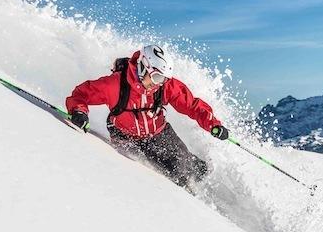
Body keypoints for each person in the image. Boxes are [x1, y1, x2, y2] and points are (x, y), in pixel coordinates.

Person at [66, 44, 229, 188]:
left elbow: (191, 105)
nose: (159, 83)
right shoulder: (114, 85)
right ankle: (185, 199)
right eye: (157, 77)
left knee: (187, 166)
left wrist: (212, 124)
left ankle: (204, 180)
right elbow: (80, 95)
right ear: (143, 67)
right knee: (165, 176)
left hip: (159, 133)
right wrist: (79, 112)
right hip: (126, 138)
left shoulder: (164, 86)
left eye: (164, 79)